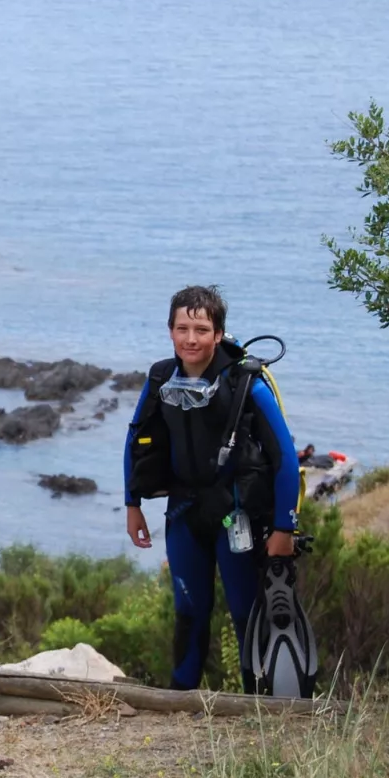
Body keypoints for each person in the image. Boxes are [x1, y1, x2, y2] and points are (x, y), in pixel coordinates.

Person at [122, 285, 300, 692]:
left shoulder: (245, 383)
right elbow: (135, 440)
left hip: (235, 512)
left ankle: (257, 702)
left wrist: (284, 528)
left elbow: (286, 457)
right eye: (182, 328)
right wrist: (132, 505)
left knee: (244, 611)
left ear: (218, 334)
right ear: (169, 331)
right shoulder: (160, 377)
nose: (190, 338)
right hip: (184, 512)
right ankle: (180, 700)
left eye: (201, 329)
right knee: (188, 610)